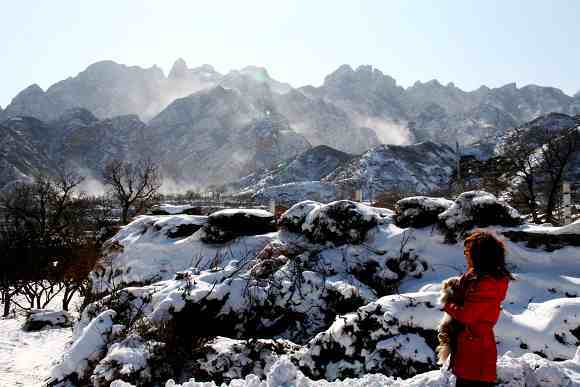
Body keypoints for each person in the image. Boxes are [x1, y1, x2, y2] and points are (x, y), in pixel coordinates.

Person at [444, 230, 513, 386]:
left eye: (468, 251)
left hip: (476, 351)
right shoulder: (475, 277)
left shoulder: (487, 283)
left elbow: (468, 315)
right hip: (469, 346)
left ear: (480, 254)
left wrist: (448, 305)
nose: (466, 255)